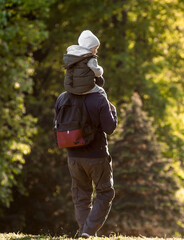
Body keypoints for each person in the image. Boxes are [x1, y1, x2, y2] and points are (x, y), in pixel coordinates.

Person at [55, 31, 117, 239]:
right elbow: (109, 127)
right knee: (105, 193)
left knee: (81, 196)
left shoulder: (63, 98)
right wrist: (113, 110)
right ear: (92, 74)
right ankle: (89, 232)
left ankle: (85, 233)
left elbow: (56, 124)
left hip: (73, 155)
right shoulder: (99, 98)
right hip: (96, 155)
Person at [63, 30, 107, 98]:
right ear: (89, 47)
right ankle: (109, 108)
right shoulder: (90, 58)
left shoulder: (72, 57)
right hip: (86, 88)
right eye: (95, 48)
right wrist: (101, 69)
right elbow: (98, 73)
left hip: (72, 88)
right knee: (101, 91)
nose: (96, 51)